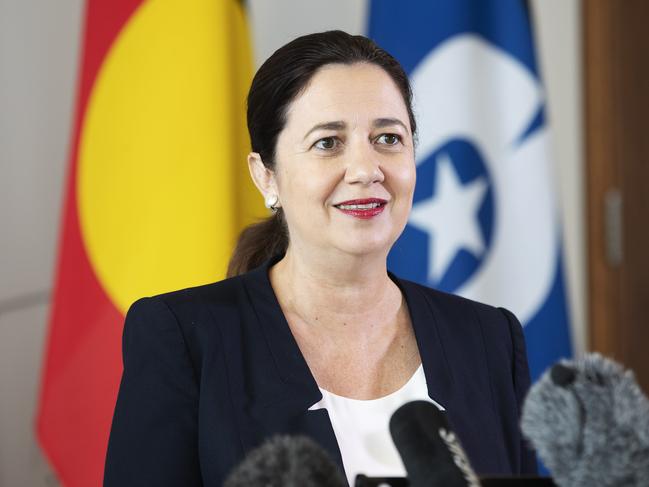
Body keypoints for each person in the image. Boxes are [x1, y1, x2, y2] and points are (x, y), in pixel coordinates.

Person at [104, 30, 537, 486]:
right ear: (266, 175)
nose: (367, 169)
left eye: (388, 138)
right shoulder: (183, 339)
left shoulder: (490, 339)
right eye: (328, 143)